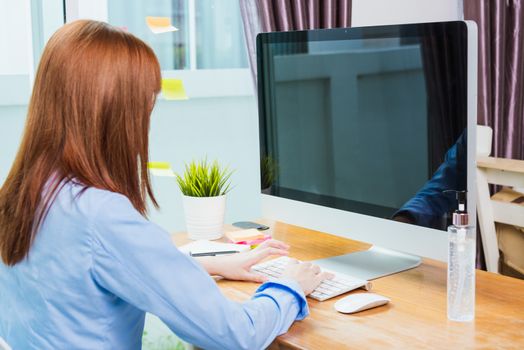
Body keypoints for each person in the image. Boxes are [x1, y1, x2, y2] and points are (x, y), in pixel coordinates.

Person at [0, 20, 331, 349]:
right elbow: (236, 335)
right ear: (117, 114)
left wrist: (209, 264)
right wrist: (289, 288)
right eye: (146, 104)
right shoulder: (101, 216)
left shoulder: (22, 195)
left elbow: (90, 270)